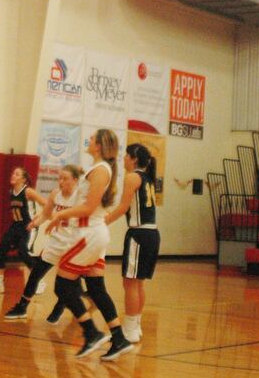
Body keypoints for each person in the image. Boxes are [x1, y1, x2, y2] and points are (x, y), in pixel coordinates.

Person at [45, 129, 133, 361]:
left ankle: (91, 332)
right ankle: (119, 337)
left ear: (100, 145)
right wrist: (63, 218)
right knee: (95, 288)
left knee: (62, 286)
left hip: (89, 233)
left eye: (93, 138)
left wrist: (57, 216)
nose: (89, 140)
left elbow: (88, 207)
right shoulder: (98, 169)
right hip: (90, 232)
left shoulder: (100, 170)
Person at [3, 164, 82, 321]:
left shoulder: (81, 197)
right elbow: (46, 214)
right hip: (55, 241)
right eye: (59, 178)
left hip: (74, 242)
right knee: (36, 273)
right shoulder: (55, 194)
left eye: (65, 179)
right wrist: (35, 223)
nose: (61, 182)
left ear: (74, 180)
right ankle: (22, 307)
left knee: (71, 280)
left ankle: (60, 306)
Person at [104, 143, 160, 343]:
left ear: (134, 158)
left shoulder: (132, 177)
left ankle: (129, 330)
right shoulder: (148, 179)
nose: (124, 159)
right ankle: (135, 326)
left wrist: (103, 222)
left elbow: (122, 208)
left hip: (139, 234)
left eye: (126, 155)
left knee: (130, 283)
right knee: (138, 283)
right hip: (152, 234)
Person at [0, 167, 46, 294]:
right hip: (16, 226)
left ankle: (39, 281)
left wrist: (38, 219)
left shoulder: (28, 191)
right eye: (13, 173)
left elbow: (46, 204)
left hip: (28, 227)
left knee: (23, 251)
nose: (13, 175)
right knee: (0, 251)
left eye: (16, 174)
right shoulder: (12, 191)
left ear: (23, 179)